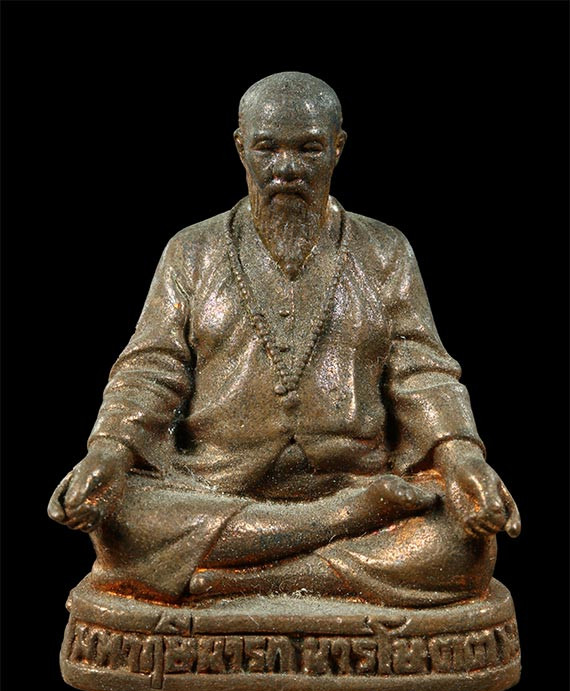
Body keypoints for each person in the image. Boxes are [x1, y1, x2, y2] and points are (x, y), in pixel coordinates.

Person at [48, 72, 520, 606]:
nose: (287, 168)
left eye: (308, 149)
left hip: (356, 475)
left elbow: (421, 370)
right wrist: (108, 452)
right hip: (216, 486)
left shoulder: (384, 250)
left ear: (337, 148)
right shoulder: (191, 251)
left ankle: (237, 580)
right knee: (119, 522)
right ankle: (340, 524)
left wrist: (461, 458)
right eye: (267, 148)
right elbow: (151, 368)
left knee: (465, 544)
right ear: (240, 148)